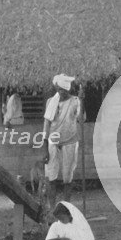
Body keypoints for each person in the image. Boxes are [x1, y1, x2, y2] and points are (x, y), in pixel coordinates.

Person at [43, 74, 84, 208]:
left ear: (69, 90)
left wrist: (82, 101)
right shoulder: (51, 101)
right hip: (52, 142)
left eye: (64, 90)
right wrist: (44, 148)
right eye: (59, 89)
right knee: (51, 176)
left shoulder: (75, 101)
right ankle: (52, 208)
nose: (62, 92)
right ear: (56, 88)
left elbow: (81, 118)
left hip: (70, 141)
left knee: (68, 177)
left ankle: (66, 207)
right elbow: (46, 124)